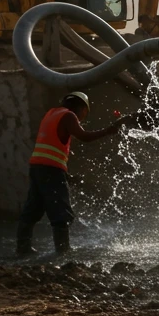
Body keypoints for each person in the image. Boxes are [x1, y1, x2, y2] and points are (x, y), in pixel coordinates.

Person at [17, 92, 126, 256]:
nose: (83, 117)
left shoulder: (51, 113)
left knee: (33, 207)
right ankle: (63, 251)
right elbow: (84, 136)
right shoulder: (69, 116)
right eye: (85, 113)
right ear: (82, 108)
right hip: (51, 169)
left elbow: (54, 142)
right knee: (61, 210)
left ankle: (22, 249)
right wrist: (110, 130)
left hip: (37, 167)